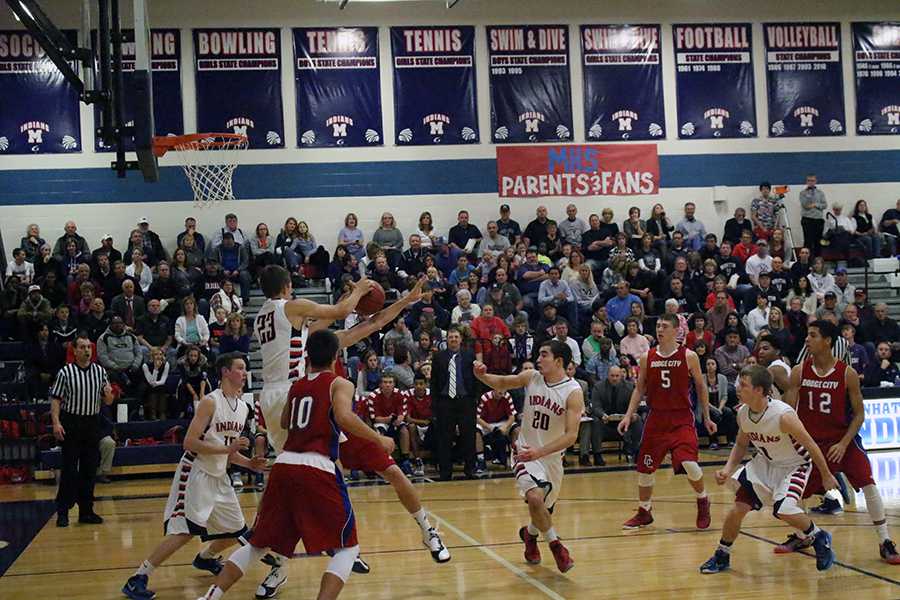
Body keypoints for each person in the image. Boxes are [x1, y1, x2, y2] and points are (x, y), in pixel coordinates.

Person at [196, 332, 394, 600]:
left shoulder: (298, 385)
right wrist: (378, 437)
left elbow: (287, 421)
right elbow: (344, 416)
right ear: (336, 356)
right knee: (348, 549)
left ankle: (212, 595)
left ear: (307, 356)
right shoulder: (340, 383)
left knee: (258, 544)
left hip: (284, 465)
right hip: (316, 466)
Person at [122, 353, 265, 600]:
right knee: (184, 530)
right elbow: (189, 442)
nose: (244, 373)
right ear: (225, 372)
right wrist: (227, 450)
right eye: (240, 368)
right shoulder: (211, 402)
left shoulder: (243, 408)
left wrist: (250, 463)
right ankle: (138, 578)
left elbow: (229, 454)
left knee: (236, 530)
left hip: (219, 475)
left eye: (245, 369)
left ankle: (205, 558)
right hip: (196, 471)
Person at [698, 365, 838, 574]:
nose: (738, 388)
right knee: (738, 509)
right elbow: (741, 444)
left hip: (794, 466)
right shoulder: (743, 413)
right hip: (765, 464)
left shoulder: (783, 416)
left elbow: (811, 445)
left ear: (759, 390)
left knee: (784, 510)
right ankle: (722, 554)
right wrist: (727, 469)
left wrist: (826, 475)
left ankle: (818, 536)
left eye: (743, 385)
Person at [782, 320, 900, 563]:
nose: (807, 339)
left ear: (827, 341)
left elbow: (859, 414)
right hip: (813, 444)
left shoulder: (848, 374)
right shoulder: (799, 371)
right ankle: (801, 535)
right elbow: (787, 410)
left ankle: (885, 541)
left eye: (812, 335)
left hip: (842, 441)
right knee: (797, 493)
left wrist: (844, 443)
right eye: (807, 334)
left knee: (869, 483)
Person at [473, 340, 582, 572]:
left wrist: (540, 453)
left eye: (544, 355)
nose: (538, 359)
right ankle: (556, 547)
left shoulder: (573, 392)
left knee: (542, 509)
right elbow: (502, 382)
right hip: (524, 452)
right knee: (534, 498)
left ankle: (530, 536)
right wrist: (482, 376)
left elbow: (571, 436)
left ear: (559, 361)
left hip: (550, 457)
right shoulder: (531, 377)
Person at [620, 312, 715, 530]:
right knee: (644, 469)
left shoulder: (689, 356)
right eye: (658, 326)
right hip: (656, 418)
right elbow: (639, 389)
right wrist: (627, 415)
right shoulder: (647, 357)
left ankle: (703, 500)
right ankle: (644, 511)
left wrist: (707, 417)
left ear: (675, 330)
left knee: (689, 463)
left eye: (664, 326)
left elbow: (701, 387)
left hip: (681, 417)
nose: (659, 330)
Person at [50, 335, 114, 527]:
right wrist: (56, 423)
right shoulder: (66, 372)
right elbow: (56, 399)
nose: (87, 350)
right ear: (75, 350)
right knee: (69, 469)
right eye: (83, 347)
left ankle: (86, 511)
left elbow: (108, 401)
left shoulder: (100, 371)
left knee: (89, 469)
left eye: (89, 347)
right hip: (71, 422)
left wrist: (109, 395)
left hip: (91, 423)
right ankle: (62, 511)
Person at [430, 326, 478, 480]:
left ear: (461, 339)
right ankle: (445, 472)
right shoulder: (438, 357)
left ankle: (470, 469)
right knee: (445, 438)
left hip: (465, 401)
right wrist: (435, 403)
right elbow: (434, 382)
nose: (453, 340)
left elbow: (476, 378)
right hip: (445, 402)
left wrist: (474, 398)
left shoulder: (470, 355)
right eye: (451, 337)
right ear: (447, 340)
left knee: (469, 437)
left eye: (456, 337)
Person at [585, 366, 640, 466]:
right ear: (608, 375)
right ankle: (597, 455)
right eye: (612, 376)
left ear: (621, 376)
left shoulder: (629, 387)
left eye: (617, 376)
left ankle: (637, 452)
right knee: (595, 421)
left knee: (637, 419)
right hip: (605, 421)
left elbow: (634, 405)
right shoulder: (598, 387)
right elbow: (596, 406)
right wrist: (602, 415)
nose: (614, 378)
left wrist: (630, 415)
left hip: (624, 421)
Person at [475, 387, 518, 471]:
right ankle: (480, 460)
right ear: (494, 389)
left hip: (501, 422)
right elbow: (477, 418)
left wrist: (505, 426)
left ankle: (516, 458)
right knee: (476, 432)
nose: (502, 393)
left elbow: (512, 417)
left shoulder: (507, 396)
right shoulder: (485, 397)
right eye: (499, 391)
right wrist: (489, 427)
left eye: (503, 391)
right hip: (486, 423)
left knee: (517, 430)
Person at [799, 174, 827, 256]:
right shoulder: (803, 193)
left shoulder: (820, 193)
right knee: (808, 242)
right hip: (807, 220)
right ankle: (807, 261)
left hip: (818, 220)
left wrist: (815, 205)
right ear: (806, 182)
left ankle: (818, 261)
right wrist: (816, 204)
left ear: (816, 181)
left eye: (812, 180)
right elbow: (805, 205)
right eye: (809, 180)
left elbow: (824, 205)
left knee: (818, 242)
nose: (811, 182)